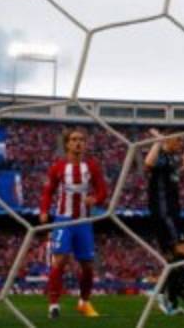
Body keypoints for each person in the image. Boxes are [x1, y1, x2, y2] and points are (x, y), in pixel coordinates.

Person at [39, 129, 108, 319]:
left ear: (85, 144)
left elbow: (103, 191)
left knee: (87, 266)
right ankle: (53, 305)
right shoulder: (58, 167)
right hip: (63, 220)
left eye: (82, 140)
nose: (78, 143)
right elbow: (48, 191)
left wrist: (95, 199)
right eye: (74, 140)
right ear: (67, 144)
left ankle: (84, 303)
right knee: (59, 261)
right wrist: (44, 211)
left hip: (84, 222)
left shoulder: (92, 167)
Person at [143, 130, 184, 316]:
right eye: (178, 139)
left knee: (171, 261)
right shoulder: (161, 155)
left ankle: (171, 302)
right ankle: (159, 292)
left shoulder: (171, 159)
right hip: (165, 215)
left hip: (171, 213)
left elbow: (171, 178)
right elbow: (148, 164)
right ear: (169, 140)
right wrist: (158, 142)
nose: (181, 143)